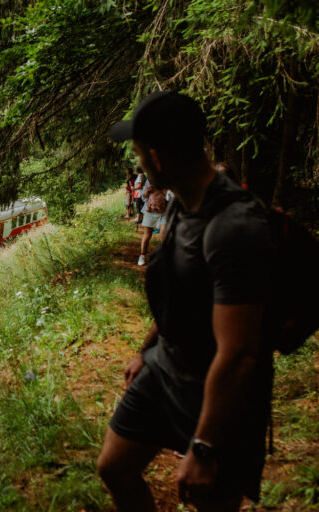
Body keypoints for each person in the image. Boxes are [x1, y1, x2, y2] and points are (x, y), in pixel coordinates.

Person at [99, 91, 274, 511]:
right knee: (114, 466)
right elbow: (180, 295)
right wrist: (146, 351)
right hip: (168, 367)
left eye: (139, 154)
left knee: (211, 499)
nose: (138, 164)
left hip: (221, 392)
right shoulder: (183, 203)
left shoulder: (234, 226)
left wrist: (205, 447)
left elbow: (239, 354)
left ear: (157, 158)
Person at [137, 178, 167, 266]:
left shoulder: (169, 179)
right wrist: (147, 191)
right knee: (147, 234)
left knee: (164, 234)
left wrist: (160, 190)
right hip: (150, 210)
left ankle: (165, 257)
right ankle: (142, 255)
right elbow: (144, 196)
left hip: (164, 210)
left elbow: (171, 196)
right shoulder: (150, 179)